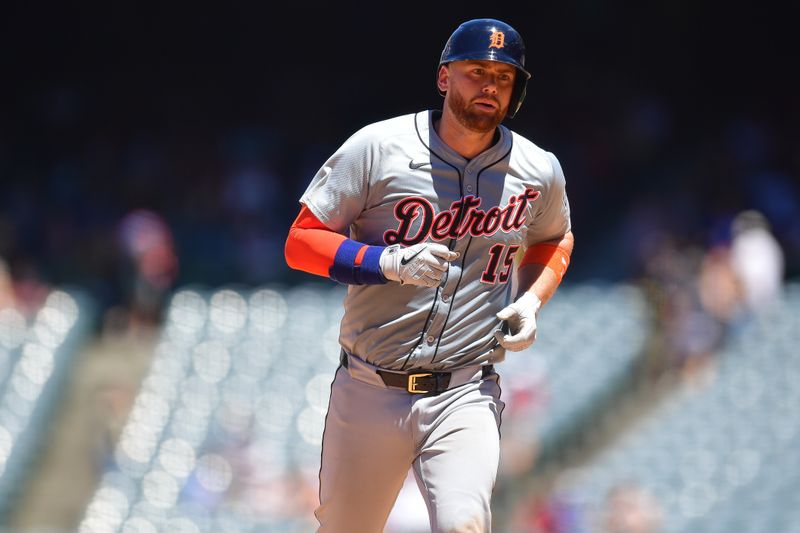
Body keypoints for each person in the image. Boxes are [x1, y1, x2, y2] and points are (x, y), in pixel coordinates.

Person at [285, 18, 574, 533]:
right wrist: (386, 262)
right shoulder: (377, 148)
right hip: (371, 388)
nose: (489, 86)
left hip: (466, 390)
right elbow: (301, 242)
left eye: (503, 78)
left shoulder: (538, 168)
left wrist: (531, 302)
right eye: (476, 72)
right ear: (444, 78)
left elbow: (555, 238)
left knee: (466, 524)